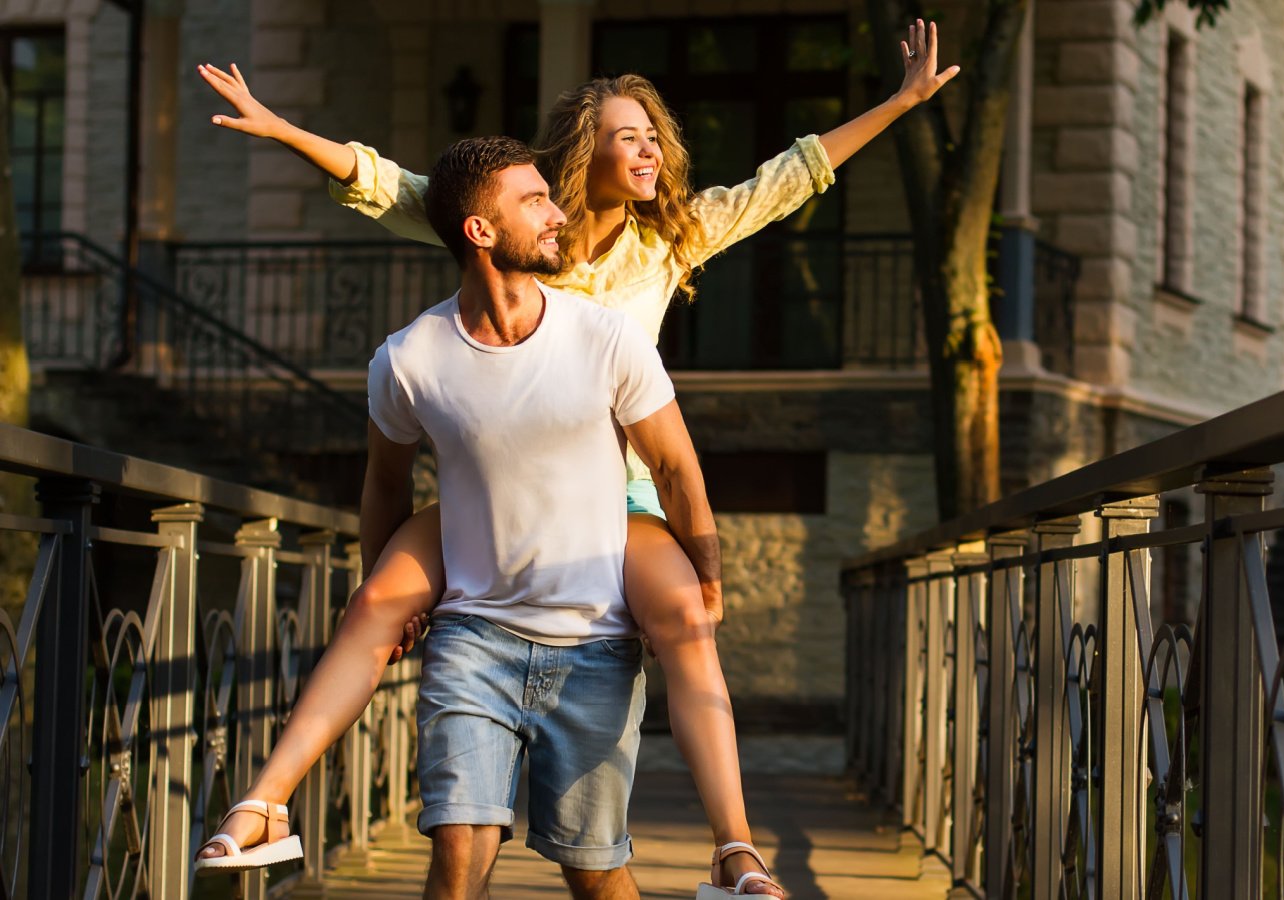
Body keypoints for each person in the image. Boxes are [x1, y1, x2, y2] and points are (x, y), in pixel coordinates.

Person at [193, 19, 958, 895]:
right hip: (494, 497)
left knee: (684, 622)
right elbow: (399, 188)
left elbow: (786, 179)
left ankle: (736, 850)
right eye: (629, 136)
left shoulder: (671, 236)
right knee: (379, 596)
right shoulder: (520, 232)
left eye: (655, 138)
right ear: (583, 151)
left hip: (616, 497)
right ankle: (263, 805)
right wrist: (284, 128)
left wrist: (899, 103)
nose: (651, 151)